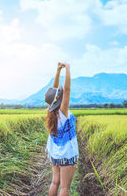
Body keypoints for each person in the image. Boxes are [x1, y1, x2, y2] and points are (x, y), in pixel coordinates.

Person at [45, 62, 78, 196]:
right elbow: (67, 90)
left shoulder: (50, 110)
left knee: (55, 182)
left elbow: (53, 91)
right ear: (59, 99)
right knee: (65, 188)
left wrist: (58, 70)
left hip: (55, 153)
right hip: (66, 153)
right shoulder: (62, 112)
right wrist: (68, 69)